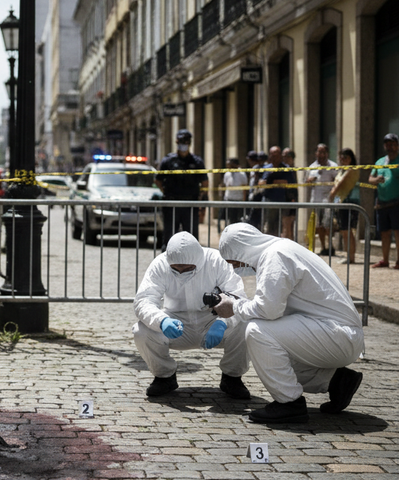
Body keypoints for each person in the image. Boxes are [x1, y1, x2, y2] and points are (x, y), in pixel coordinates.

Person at [215, 223, 364, 423]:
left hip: (337, 335)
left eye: (234, 262)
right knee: (271, 354)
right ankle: (338, 382)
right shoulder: (281, 249)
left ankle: (289, 402)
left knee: (257, 332)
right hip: (336, 333)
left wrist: (234, 306)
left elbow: (268, 310)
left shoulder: (275, 256)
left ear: (242, 251)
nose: (235, 268)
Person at [132, 232, 251, 399]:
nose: (182, 273)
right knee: (141, 331)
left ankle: (232, 377)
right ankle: (164, 377)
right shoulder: (160, 263)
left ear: (199, 260)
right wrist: (162, 321)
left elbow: (238, 298)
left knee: (246, 325)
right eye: (176, 269)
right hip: (175, 322)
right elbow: (143, 300)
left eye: (188, 269)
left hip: (213, 320)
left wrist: (224, 322)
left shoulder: (217, 261)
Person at [155, 129, 208, 248]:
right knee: (169, 237)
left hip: (190, 204)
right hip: (171, 203)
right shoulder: (168, 160)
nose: (183, 144)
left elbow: (205, 183)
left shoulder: (196, 161)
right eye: (181, 141)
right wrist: (167, 192)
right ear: (176, 142)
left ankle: (192, 259)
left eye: (186, 141)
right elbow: (158, 180)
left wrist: (202, 205)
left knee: (191, 238)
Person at [368, 133, 399, 269]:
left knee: (398, 232)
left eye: (392, 144)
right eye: (387, 144)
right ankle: (385, 260)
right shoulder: (380, 162)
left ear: (397, 146)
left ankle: (398, 261)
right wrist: (376, 180)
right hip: (382, 203)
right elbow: (370, 179)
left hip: (397, 203)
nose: (389, 147)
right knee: (384, 233)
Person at [306, 144, 338, 255]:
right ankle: (323, 247)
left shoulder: (333, 166)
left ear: (327, 153)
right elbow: (306, 182)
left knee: (328, 225)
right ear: (316, 153)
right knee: (319, 226)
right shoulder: (312, 167)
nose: (321, 155)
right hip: (315, 200)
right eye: (319, 152)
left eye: (323, 152)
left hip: (328, 200)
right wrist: (309, 180)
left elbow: (337, 181)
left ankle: (330, 246)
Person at [329, 148, 360, 265]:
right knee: (344, 231)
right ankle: (349, 256)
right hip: (341, 201)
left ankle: (351, 256)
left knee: (348, 231)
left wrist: (332, 194)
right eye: (341, 158)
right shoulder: (341, 170)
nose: (343, 160)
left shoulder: (352, 169)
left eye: (345, 157)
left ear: (351, 158)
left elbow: (340, 183)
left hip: (349, 201)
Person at [258, 146, 295, 236]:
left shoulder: (286, 169)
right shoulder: (266, 168)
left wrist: (272, 182)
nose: (274, 158)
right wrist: (274, 182)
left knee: (282, 229)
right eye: (272, 155)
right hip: (268, 202)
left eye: (276, 155)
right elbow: (261, 183)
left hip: (283, 202)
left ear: (280, 156)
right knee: (268, 229)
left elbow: (288, 183)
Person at [221, 158, 247, 227]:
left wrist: (244, 201)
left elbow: (245, 188)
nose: (228, 166)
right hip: (229, 199)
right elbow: (225, 185)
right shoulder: (227, 174)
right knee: (229, 219)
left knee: (238, 220)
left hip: (238, 200)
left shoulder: (242, 174)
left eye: (230, 164)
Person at [281, 148, 299, 240]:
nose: (284, 158)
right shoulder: (283, 168)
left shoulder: (292, 169)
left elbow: (293, 185)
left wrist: (292, 198)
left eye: (286, 156)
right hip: (284, 199)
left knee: (289, 224)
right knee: (285, 224)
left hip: (290, 199)